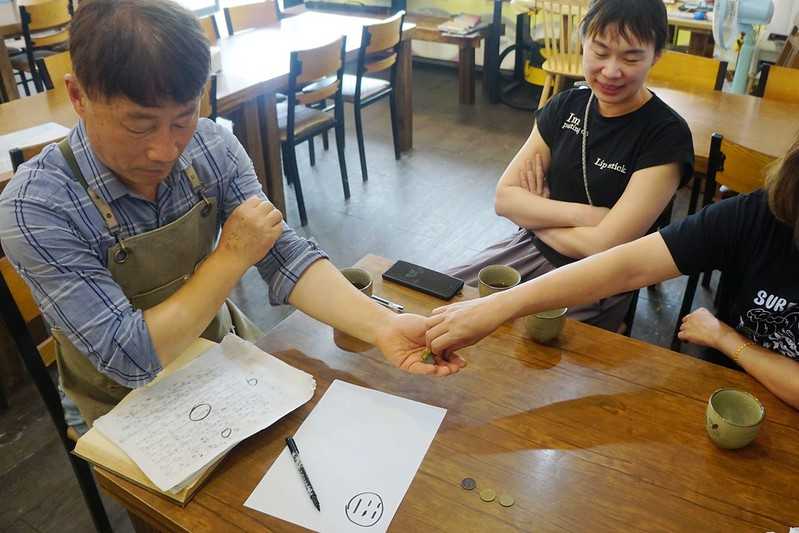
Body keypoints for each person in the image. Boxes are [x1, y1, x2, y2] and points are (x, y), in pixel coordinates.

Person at [0, 0, 464, 428]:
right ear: (78, 96)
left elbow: (283, 255)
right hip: (120, 399)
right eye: (138, 125)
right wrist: (231, 256)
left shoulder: (211, 146)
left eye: (183, 118)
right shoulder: (37, 206)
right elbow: (130, 355)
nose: (165, 150)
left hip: (216, 351)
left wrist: (383, 325)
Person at [425, 134, 799, 410]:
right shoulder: (759, 214)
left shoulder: (664, 139)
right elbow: (625, 266)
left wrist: (726, 340)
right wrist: (495, 308)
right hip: (731, 385)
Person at [446, 0, 693, 333]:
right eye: (600, 52)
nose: (611, 71)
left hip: (597, 279)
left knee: (518, 347)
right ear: (584, 41)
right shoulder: (566, 105)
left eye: (631, 57)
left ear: (656, 56)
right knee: (441, 299)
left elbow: (605, 248)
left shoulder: (665, 136)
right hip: (526, 248)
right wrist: (588, 217)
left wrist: (536, 214)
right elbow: (505, 199)